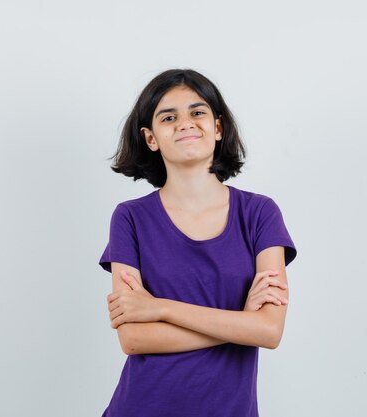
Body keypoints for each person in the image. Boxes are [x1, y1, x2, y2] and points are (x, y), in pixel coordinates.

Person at [98, 69, 298, 417]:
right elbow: (134, 338)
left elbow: (268, 330)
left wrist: (160, 308)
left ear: (218, 128)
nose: (185, 123)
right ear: (150, 138)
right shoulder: (130, 218)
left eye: (197, 112)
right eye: (169, 116)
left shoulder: (259, 214)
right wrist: (240, 323)